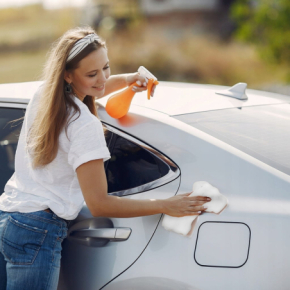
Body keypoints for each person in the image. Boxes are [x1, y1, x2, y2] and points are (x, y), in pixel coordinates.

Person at [0, 27, 210, 290]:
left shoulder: (44, 95)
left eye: (106, 68)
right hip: (39, 230)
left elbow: (91, 88)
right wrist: (165, 204)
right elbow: (99, 205)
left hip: (10, 218)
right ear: (67, 75)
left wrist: (127, 80)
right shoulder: (83, 125)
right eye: (92, 73)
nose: (102, 79)